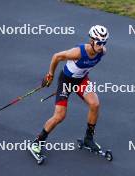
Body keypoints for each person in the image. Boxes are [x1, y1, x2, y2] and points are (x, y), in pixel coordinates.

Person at [30, 25, 109, 154]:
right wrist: (50, 75)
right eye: (99, 42)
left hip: (81, 80)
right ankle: (38, 141)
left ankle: (88, 139)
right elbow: (56, 56)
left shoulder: (102, 52)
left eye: (104, 43)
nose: (101, 46)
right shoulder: (78, 52)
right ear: (91, 40)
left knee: (95, 104)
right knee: (60, 116)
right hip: (66, 81)